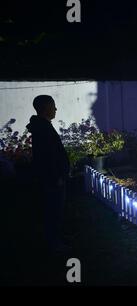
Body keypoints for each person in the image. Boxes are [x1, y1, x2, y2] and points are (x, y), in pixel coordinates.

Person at [26, 95, 70, 253]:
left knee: (54, 210)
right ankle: (54, 243)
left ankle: (56, 238)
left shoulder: (43, 126)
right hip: (52, 179)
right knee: (53, 211)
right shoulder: (43, 129)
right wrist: (57, 177)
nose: (56, 109)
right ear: (46, 108)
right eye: (53, 106)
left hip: (52, 177)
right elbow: (48, 156)